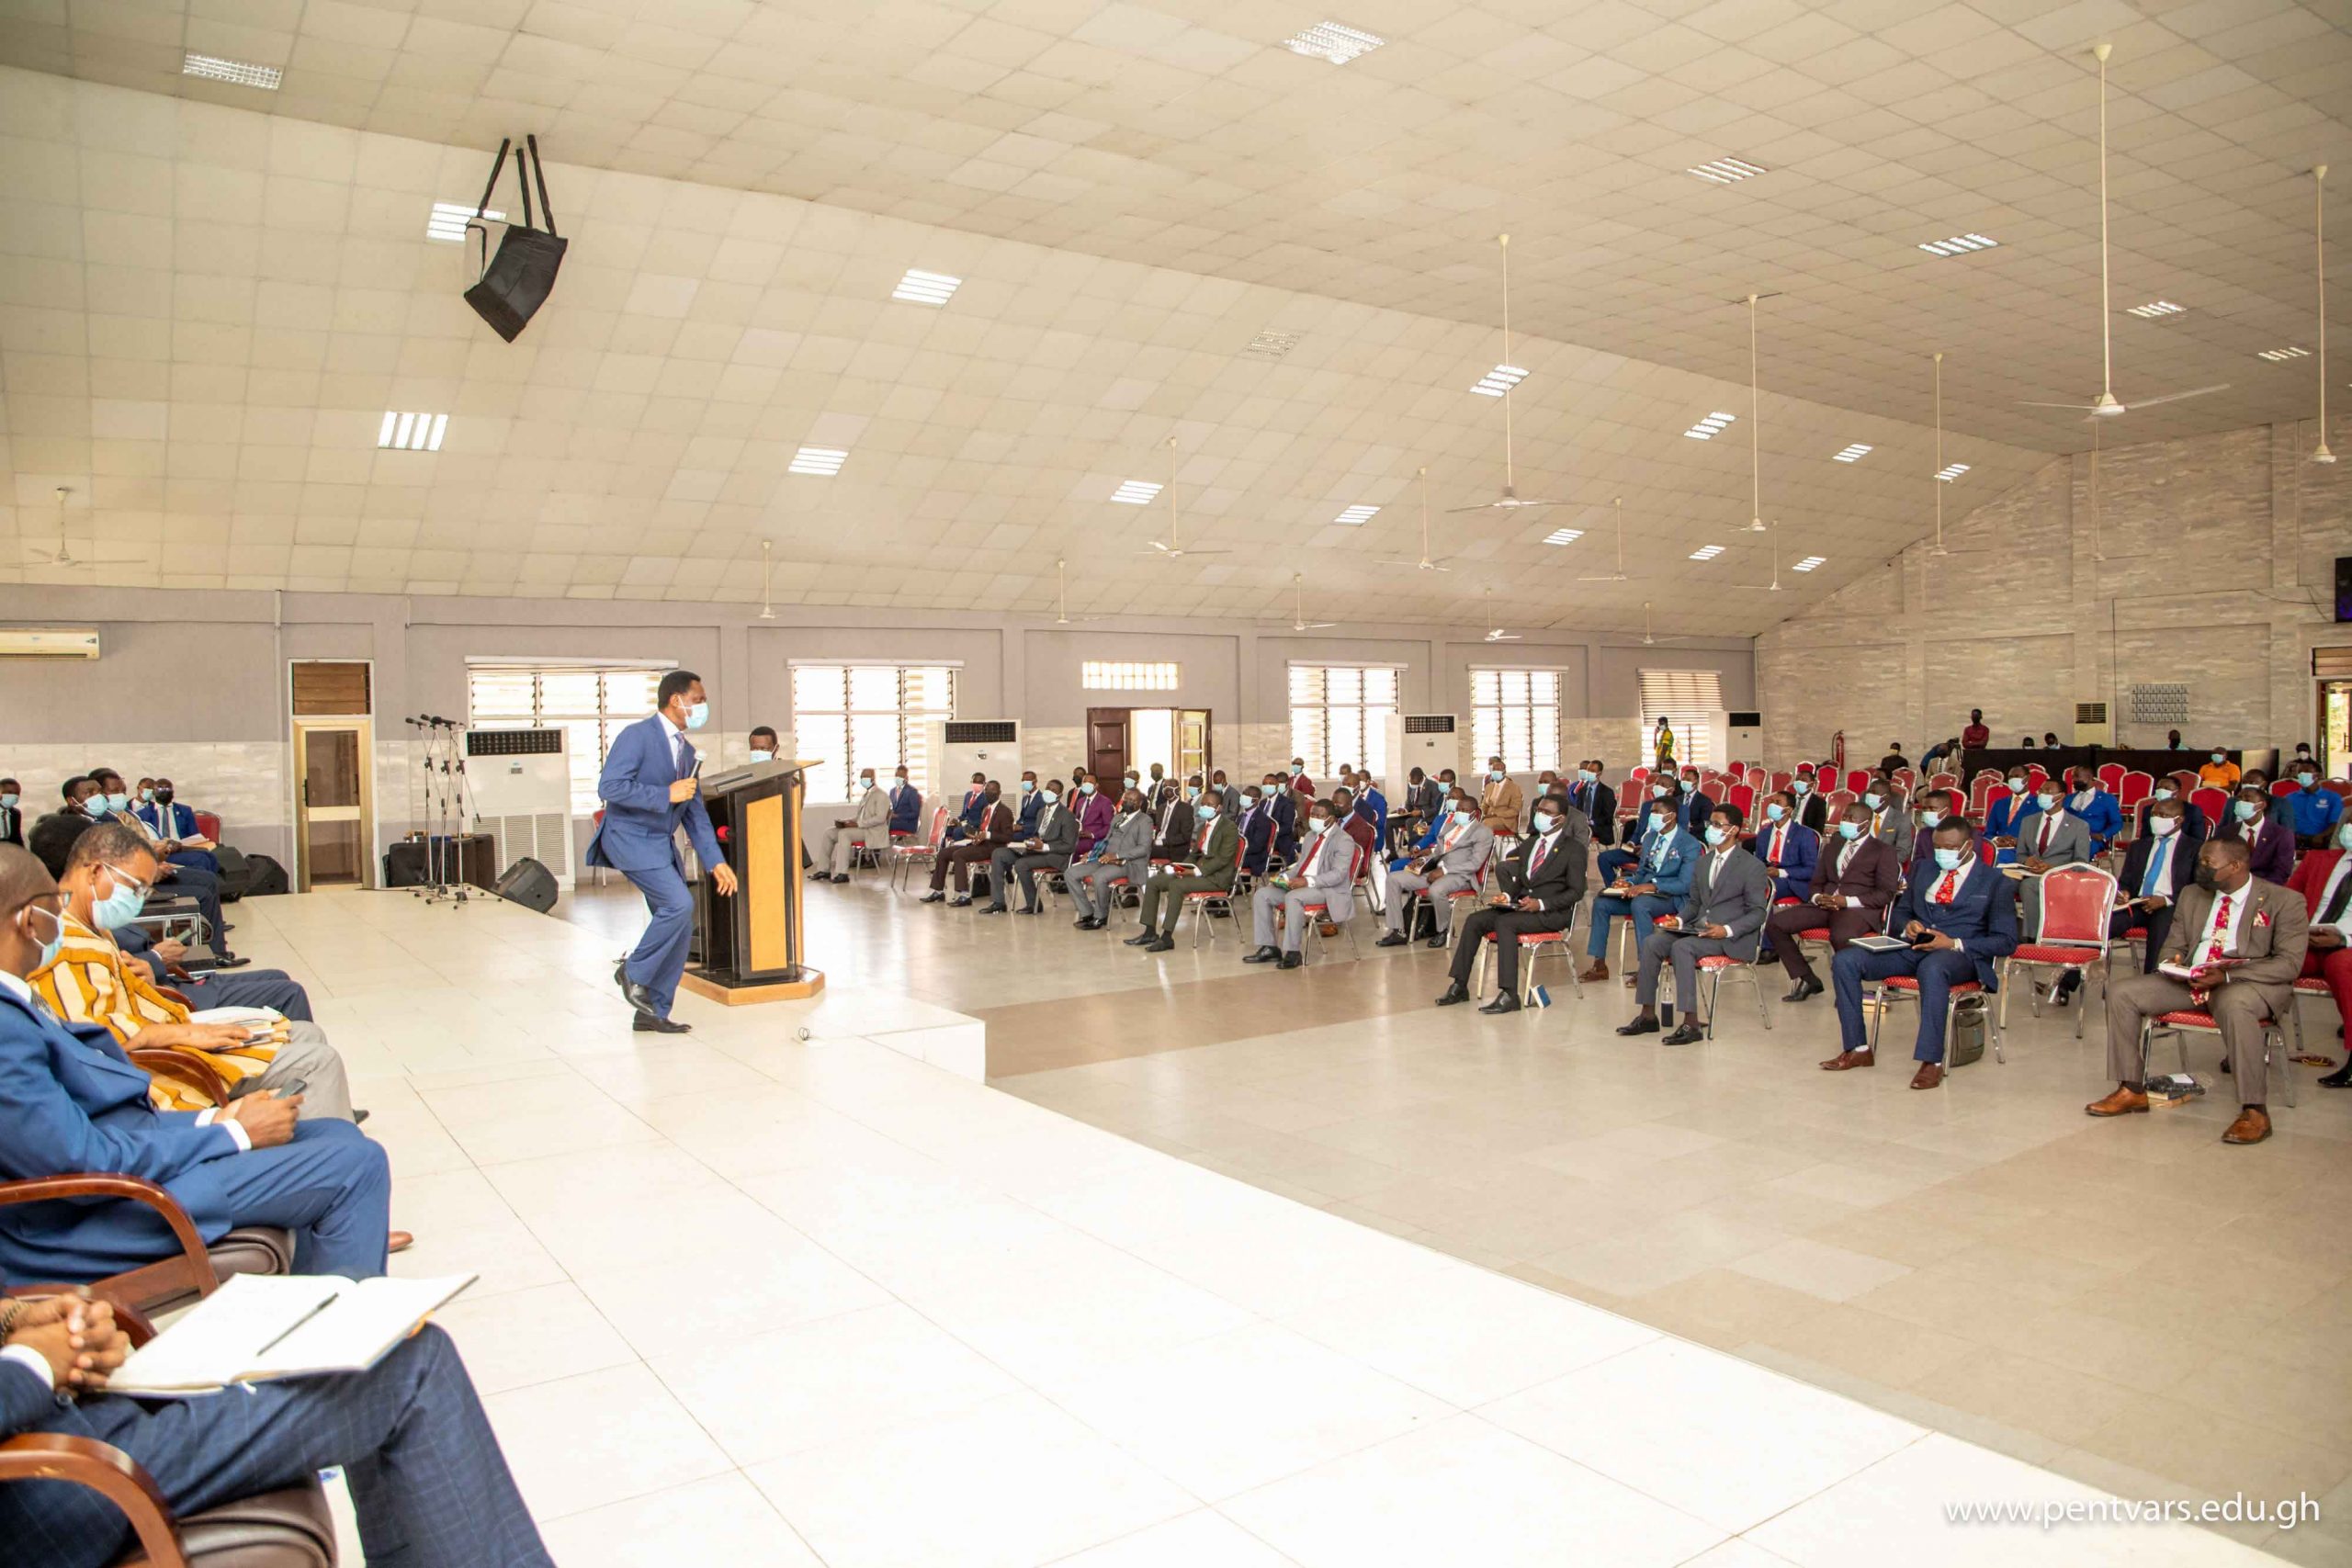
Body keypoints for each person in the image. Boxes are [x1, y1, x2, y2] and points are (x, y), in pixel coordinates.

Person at [0, 845, 392, 1284]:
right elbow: (80, 1163)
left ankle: (325, 1270)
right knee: (357, 1163)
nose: (61, 919)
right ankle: (339, 1313)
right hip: (99, 1216)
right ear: (30, 920)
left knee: (337, 1132)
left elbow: (91, 1125)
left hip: (126, 1165)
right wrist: (233, 1133)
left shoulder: (17, 1002)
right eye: (55, 907)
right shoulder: (5, 1028)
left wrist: (212, 1120)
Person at [25, 819, 356, 1123]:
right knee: (319, 1061)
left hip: (166, 1035)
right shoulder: (62, 944)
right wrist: (184, 1034)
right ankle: (323, 1145)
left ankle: (315, 1126)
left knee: (306, 1033)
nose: (138, 900)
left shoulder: (89, 926)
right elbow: (90, 1039)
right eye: (135, 887)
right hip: (158, 1068)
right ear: (96, 871)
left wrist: (187, 1024)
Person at [2087, 837, 2306, 1145]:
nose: (2199, 867)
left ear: (2236, 866)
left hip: (2246, 984)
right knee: (2122, 993)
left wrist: (2226, 976)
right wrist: (2173, 964)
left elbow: (2289, 964)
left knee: (2235, 1005)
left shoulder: (2284, 900)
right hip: (2191, 980)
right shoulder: (2192, 894)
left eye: (2207, 863)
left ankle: (2255, 1110)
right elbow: (2173, 945)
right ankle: (2131, 1089)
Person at [585, 669, 737, 1033]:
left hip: (660, 844)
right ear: (676, 700)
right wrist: (664, 794)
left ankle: (653, 1011)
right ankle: (633, 971)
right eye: (698, 700)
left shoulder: (687, 751)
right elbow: (610, 787)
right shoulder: (637, 735)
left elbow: (695, 813)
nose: (703, 707)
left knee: (680, 926)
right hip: (630, 838)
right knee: (678, 905)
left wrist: (716, 861)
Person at [1822, 817, 2018, 1089]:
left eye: (1949, 847)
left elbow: (2006, 941)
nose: (1942, 853)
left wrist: (1953, 943)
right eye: (1937, 847)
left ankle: (1931, 1061)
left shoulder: (1995, 882)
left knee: (1933, 968)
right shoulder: (1924, 869)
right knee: (1846, 960)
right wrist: (1908, 926)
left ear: (1968, 846)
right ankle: (1858, 1049)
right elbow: (1900, 913)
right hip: (1912, 947)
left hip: (1960, 955)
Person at [1619, 803, 1773, 1044]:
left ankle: (1691, 1023)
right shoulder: (1704, 862)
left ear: (1733, 830)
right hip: (1699, 929)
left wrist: (1726, 930)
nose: (1712, 829)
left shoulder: (1751, 866)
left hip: (1730, 937)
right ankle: (1647, 1015)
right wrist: (1679, 919)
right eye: (1711, 823)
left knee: (1682, 948)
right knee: (1652, 942)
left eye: (1717, 824)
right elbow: (1694, 903)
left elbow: (1758, 913)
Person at [1436, 792, 1585, 1014]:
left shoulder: (1573, 849)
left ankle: (1509, 994)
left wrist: (1541, 903)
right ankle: (1459, 985)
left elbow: (1576, 891)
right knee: (1475, 920)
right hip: (1522, 907)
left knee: (1505, 924)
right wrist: (1507, 896)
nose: (1540, 815)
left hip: (1551, 913)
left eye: (1547, 812)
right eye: (1539, 810)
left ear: (1560, 819)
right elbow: (1522, 882)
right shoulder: (1531, 844)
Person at [2058, 795, 2201, 1002]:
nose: (2156, 819)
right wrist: (2124, 892)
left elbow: (2196, 887)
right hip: (2138, 903)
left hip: (2171, 906)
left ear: (2178, 820)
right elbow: (2125, 881)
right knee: (2101, 926)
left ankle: (2150, 990)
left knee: (2161, 933)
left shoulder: (2194, 848)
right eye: (2154, 815)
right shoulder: (2139, 846)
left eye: (2163, 815)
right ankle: (2066, 981)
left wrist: (2166, 900)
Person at [1767, 801, 1904, 1003]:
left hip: (1857, 909)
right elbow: (1816, 882)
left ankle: (1848, 989)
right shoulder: (1834, 846)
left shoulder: (1883, 851)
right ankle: (1807, 979)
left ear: (1866, 824)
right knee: (1775, 924)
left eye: (1852, 819)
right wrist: (1817, 897)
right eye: (1845, 817)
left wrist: (1847, 901)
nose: (1845, 822)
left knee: (1842, 936)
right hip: (1825, 904)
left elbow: (1885, 894)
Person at [1580, 795, 1697, 984]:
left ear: (1671, 816)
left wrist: (1652, 886)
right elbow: (1642, 872)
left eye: (1657, 812)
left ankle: (1647, 968)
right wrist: (1628, 882)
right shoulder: (1650, 838)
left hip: (1670, 897)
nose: (1652, 816)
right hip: (1644, 892)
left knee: (1641, 905)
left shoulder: (1689, 843)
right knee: (1601, 903)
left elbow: (1685, 884)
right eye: (1651, 812)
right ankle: (1599, 965)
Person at [1245, 798, 1356, 969]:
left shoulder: (1343, 840)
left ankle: (1293, 952)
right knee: (1262, 894)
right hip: (1301, 884)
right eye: (1312, 815)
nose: (1314, 819)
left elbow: (1338, 875)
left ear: (1331, 818)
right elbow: (1300, 865)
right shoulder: (1311, 836)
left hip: (1327, 888)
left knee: (1294, 898)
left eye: (1320, 816)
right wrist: (1284, 877)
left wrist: (1307, 881)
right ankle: (1269, 947)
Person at [1379, 790, 1492, 949]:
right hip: (1434, 870)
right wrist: (1422, 862)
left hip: (1460, 875)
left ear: (1474, 813)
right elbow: (1438, 852)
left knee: (1436, 890)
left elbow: (1474, 864)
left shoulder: (1483, 832)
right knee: (1394, 878)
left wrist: (1444, 870)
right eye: (1458, 809)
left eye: (1465, 810)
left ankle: (1443, 930)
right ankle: (1398, 931)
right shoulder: (1450, 826)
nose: (1460, 813)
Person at [2286, 823, 2352, 1087]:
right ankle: (2251, 1039)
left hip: (2347, 944)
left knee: (2342, 966)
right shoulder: (2318, 859)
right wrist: (2298, 930)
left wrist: (2344, 939)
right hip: (2308, 938)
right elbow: (2286, 899)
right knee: (2273, 964)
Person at [1131, 793, 1238, 953]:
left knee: (1177, 886)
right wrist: (1180, 867)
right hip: (1200, 871)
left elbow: (1223, 859)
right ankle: (1149, 932)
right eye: (1203, 804)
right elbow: (1194, 854)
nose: (1204, 807)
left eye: (1209, 805)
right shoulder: (1203, 827)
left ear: (1219, 808)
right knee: (1154, 882)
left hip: (1217, 877)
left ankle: (1167, 937)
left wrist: (1196, 872)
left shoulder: (1229, 828)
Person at [982, 780, 1077, 915]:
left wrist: (1044, 846)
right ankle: (998, 902)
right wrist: (1031, 842)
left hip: (1055, 856)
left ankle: (1034, 904)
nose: (1049, 792)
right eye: (1048, 788)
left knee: (1021, 864)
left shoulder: (1067, 815)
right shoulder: (1042, 812)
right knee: (999, 853)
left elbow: (1069, 846)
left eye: (1054, 791)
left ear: (1060, 795)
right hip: (1036, 851)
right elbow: (1038, 835)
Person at [1070, 787, 1150, 931]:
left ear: (1140, 803)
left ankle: (1100, 916)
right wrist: (1092, 853)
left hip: (1127, 863)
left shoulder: (1145, 821)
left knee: (1099, 876)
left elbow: (1143, 848)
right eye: (1126, 799)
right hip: (1105, 858)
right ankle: (1087, 913)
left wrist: (1117, 856)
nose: (1128, 802)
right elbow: (1106, 840)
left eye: (1133, 801)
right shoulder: (1117, 817)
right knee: (1071, 873)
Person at [922, 781, 1012, 905]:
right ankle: (938, 891)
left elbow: (1007, 837)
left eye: (993, 791)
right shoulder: (986, 810)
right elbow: (981, 829)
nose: (989, 793)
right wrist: (973, 834)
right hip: (979, 843)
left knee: (959, 855)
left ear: (999, 793)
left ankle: (964, 895)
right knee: (944, 853)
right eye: (987, 790)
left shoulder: (1005, 811)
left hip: (992, 847)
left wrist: (988, 835)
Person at [813, 767, 889, 883]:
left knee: (844, 834)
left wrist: (858, 824)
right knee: (829, 833)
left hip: (872, 831)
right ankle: (824, 870)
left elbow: (880, 818)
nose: (864, 779)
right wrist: (846, 822)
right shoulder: (866, 795)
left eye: (866, 776)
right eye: (862, 776)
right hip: (862, 829)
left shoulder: (881, 795)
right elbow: (860, 817)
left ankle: (842, 874)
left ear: (873, 778)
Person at [1751, 789, 1819, 904]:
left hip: (1791, 881)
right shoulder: (1764, 833)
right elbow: (1758, 861)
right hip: (1766, 876)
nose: (1772, 805)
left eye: (1777, 803)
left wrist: (1780, 872)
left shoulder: (1804, 834)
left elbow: (1811, 870)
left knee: (1759, 889)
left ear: (1788, 810)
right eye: (1771, 802)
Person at [2219, 783, 2295, 886]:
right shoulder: (2226, 832)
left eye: (2247, 799)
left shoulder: (2281, 835)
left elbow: (2281, 872)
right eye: (2239, 799)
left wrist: (2253, 888)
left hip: (2265, 888)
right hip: (2230, 886)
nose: (2241, 802)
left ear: (2261, 805)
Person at [2059, 767, 2122, 855]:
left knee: (2081, 849)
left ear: (2089, 777)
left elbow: (2117, 823)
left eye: (2077, 776)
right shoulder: (2068, 798)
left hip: (2092, 839)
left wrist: (2103, 835)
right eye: (2072, 777)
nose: (2074, 780)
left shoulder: (2107, 799)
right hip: (2067, 837)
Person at [2285, 760, 2344, 847]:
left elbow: (2335, 823)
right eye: (2300, 772)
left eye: (2307, 771)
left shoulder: (2333, 797)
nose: (2303, 774)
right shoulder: (2290, 798)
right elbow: (2284, 821)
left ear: (2318, 775)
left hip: (2322, 840)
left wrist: (2322, 836)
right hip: (2295, 840)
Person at [1859, 774, 1915, 865]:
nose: (1869, 795)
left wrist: (1876, 860)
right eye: (1868, 792)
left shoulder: (1901, 820)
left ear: (1886, 797)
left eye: (1874, 793)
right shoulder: (1862, 816)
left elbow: (1903, 853)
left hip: (1884, 866)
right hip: (1858, 863)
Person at [1566, 761, 1616, 848]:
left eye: (1592, 771)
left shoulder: (1607, 792)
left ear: (1599, 774)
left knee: (1582, 831)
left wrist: (1591, 822)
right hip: (1582, 825)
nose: (1589, 773)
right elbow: (1577, 810)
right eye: (1588, 770)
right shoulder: (1581, 791)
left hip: (1599, 827)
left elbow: (1608, 817)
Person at [1147, 775, 1196, 862]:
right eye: (1164, 787)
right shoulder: (1161, 808)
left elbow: (1185, 836)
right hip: (1157, 844)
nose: (1166, 790)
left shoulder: (1186, 809)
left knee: (1143, 852)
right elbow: (1159, 830)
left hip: (1174, 848)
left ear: (1178, 790)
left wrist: (1162, 842)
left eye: (1169, 787)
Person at [1478, 758, 1522, 835]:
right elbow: (1484, 805)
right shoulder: (1489, 787)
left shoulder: (1514, 788)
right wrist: (1480, 813)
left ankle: (1486, 842)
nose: (1495, 772)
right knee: (1474, 823)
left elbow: (1515, 810)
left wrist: (1495, 815)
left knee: (1485, 824)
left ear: (1504, 772)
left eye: (1498, 770)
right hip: (1488, 817)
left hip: (1505, 820)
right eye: (1494, 770)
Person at [943, 771, 989, 843]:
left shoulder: (986, 798)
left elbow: (982, 821)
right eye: (974, 782)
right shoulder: (968, 795)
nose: (976, 784)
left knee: (957, 831)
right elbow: (963, 815)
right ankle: (943, 849)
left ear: (984, 784)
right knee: (945, 830)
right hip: (964, 825)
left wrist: (963, 824)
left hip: (975, 827)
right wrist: (957, 821)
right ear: (971, 782)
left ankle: (958, 848)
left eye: (979, 783)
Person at [886, 765, 922, 839]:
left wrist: (898, 816)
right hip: (894, 821)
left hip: (907, 824)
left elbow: (915, 813)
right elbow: (891, 807)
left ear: (906, 778)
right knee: (879, 823)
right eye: (897, 775)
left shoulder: (912, 791)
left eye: (901, 776)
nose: (898, 778)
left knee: (882, 825)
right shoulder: (892, 791)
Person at [1790, 766, 1827, 832]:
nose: (1799, 782)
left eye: (1803, 780)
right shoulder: (1789, 798)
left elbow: (1818, 828)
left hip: (1804, 833)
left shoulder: (1819, 803)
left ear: (1812, 784)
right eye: (1797, 780)